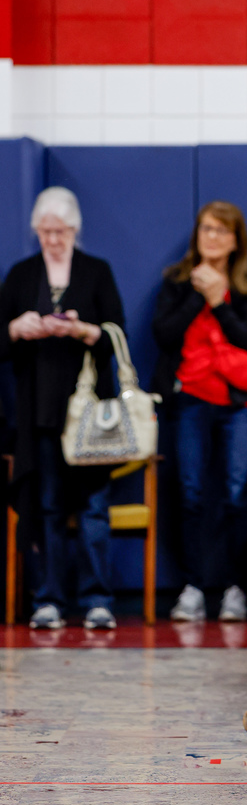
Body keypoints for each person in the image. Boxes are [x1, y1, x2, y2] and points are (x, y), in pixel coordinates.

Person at [0, 186, 125, 630]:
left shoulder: (96, 271)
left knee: (93, 509)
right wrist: (16, 328)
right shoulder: (20, 275)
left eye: (61, 231)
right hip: (38, 412)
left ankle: (97, 599)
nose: (53, 239)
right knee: (48, 505)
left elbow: (115, 333)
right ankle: (48, 598)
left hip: (90, 415)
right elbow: (1, 339)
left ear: (75, 230)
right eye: (46, 231)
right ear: (36, 230)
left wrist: (83, 331)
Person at [152, 201, 247, 624]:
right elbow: (164, 336)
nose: (211, 237)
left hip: (235, 404)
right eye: (205, 229)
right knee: (191, 494)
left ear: (235, 240)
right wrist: (199, 295)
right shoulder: (177, 281)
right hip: (189, 401)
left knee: (236, 494)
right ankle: (194, 588)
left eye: (220, 230)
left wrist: (219, 300)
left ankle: (233, 588)